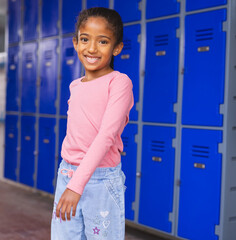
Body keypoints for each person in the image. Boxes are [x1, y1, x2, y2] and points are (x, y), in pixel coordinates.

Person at [51, 7, 134, 240]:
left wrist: (76, 186)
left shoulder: (119, 83)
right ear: (76, 42)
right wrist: (71, 182)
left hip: (101, 181)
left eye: (103, 41)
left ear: (117, 48)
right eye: (85, 39)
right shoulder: (75, 85)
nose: (92, 48)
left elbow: (106, 136)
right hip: (67, 173)